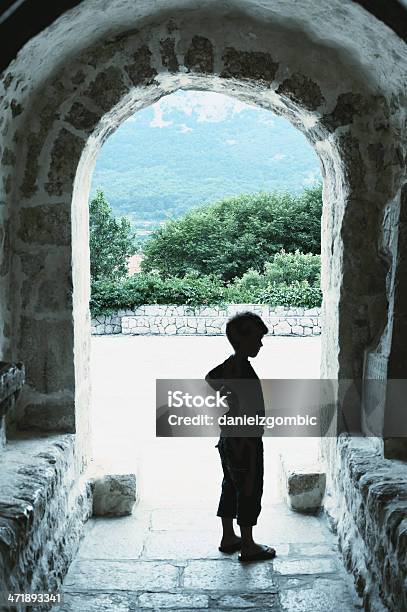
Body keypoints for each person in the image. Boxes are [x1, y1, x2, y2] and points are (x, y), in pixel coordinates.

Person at [205, 311, 276, 562]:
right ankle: (248, 544)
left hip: (229, 436)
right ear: (243, 341)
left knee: (231, 484)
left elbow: (210, 378)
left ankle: (228, 536)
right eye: (257, 339)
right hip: (245, 440)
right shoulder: (242, 368)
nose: (260, 344)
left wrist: (227, 396)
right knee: (248, 487)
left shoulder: (231, 362)